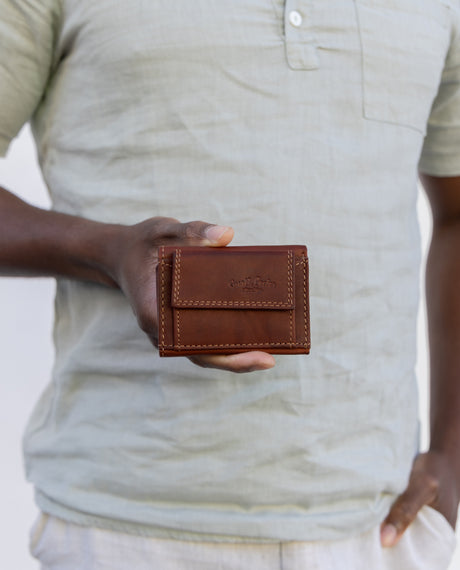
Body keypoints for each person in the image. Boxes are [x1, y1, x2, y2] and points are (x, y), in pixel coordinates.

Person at [1, 1, 459, 569]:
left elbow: (456, 214)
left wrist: (451, 450)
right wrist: (110, 252)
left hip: (380, 526)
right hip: (124, 524)